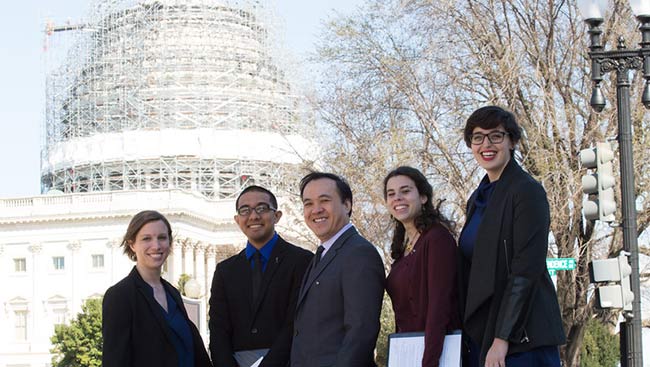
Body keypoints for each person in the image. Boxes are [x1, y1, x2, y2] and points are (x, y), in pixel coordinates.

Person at [458, 106, 566, 367]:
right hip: (484, 333)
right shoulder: (478, 198)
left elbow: (525, 271)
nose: (486, 144)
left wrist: (502, 338)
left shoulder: (526, 191)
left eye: (496, 136)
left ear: (512, 141)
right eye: (477, 137)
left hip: (520, 337)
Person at [208, 185, 313, 367]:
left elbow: (295, 323)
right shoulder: (225, 270)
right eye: (245, 210)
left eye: (262, 208)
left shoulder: (302, 261)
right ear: (237, 219)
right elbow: (218, 329)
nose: (253, 216)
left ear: (277, 216)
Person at [290, 172, 385, 367]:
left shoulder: (358, 253)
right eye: (308, 203)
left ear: (347, 205)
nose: (315, 210)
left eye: (324, 200)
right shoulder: (323, 254)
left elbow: (361, 330)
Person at [102, 210, 212, 367]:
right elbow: (115, 360)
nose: (156, 245)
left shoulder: (172, 293)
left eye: (162, 237)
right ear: (132, 244)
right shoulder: (119, 296)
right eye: (146, 238)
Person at [383, 166, 460, 367]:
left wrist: (429, 362)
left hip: (436, 353)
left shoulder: (437, 239)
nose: (397, 197)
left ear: (423, 197)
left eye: (405, 191)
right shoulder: (402, 248)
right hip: (407, 352)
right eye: (391, 194)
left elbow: (439, 306)